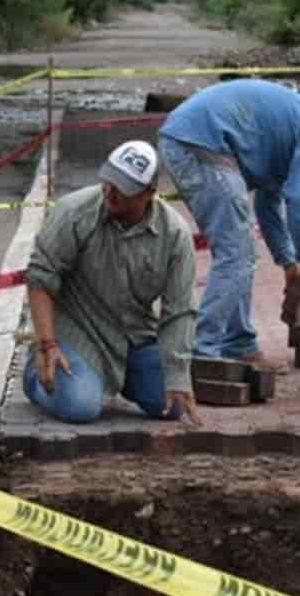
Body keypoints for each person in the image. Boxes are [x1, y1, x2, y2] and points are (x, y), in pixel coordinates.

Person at [158, 79, 300, 365]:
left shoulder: (293, 126)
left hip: (191, 138)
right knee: (236, 255)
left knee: (239, 253)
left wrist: (288, 263)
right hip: (201, 144)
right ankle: (202, 351)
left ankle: (239, 344)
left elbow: (269, 203)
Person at [22, 139, 202, 426]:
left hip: (134, 338)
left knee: (172, 404)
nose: (111, 192)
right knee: (81, 406)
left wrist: (178, 375)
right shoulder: (74, 213)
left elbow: (180, 310)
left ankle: (115, 379)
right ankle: (35, 376)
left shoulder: (175, 235)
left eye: (123, 188)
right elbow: (40, 278)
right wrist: (47, 345)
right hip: (78, 332)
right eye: (109, 181)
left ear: (149, 193)